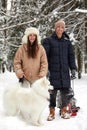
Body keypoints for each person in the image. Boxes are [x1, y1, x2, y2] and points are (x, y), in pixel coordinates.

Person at [42, 19, 79, 120]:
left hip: (64, 71)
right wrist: (46, 70)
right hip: (52, 71)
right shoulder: (48, 41)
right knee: (52, 93)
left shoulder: (67, 43)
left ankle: (63, 110)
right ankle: (51, 112)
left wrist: (73, 69)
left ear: (64, 29)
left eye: (62, 27)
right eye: (58, 27)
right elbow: (44, 57)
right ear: (55, 28)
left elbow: (71, 56)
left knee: (65, 92)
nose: (60, 29)